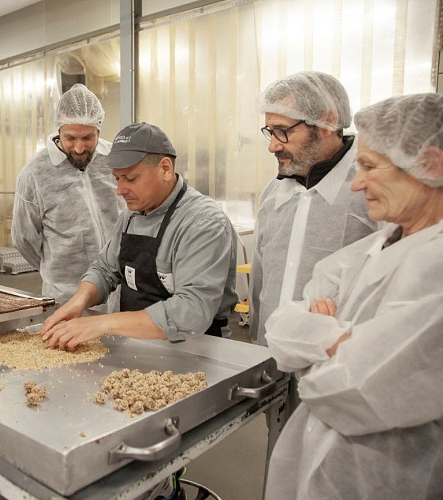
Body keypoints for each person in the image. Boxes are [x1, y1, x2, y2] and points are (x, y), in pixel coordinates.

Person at [263, 93, 443, 499]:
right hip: (323, 466)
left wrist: (315, 342)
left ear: (432, 164)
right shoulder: (373, 248)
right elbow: (281, 324)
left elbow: (352, 389)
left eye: (370, 167)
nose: (357, 183)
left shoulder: (435, 266)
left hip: (396, 476)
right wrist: (339, 340)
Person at [42, 122, 238, 351]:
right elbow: (105, 269)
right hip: (138, 348)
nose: (120, 190)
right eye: (117, 179)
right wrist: (79, 301)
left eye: (131, 179)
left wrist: (102, 323)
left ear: (165, 168)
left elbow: (191, 312)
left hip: (195, 351)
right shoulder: (132, 215)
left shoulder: (203, 223)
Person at [250, 71, 378, 346]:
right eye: (270, 132)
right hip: (269, 362)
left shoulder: (371, 190)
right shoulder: (273, 194)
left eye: (283, 131)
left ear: (327, 122)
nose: (273, 146)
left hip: (336, 363)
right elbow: (260, 282)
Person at [11, 83, 124, 305]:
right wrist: (57, 268)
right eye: (71, 138)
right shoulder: (36, 173)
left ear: (99, 131)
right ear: (59, 131)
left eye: (88, 138)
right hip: (67, 294)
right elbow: (24, 239)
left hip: (119, 289)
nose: (79, 148)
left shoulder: (114, 160)